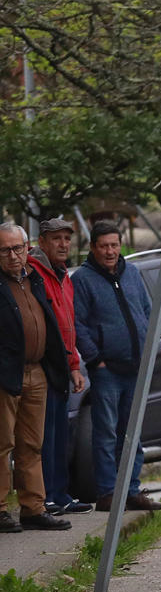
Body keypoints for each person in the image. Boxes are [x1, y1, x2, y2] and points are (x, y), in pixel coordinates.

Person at [70, 221, 161, 511]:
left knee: (132, 432)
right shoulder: (83, 280)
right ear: (93, 247)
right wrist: (94, 358)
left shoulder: (132, 273)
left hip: (136, 367)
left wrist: (149, 349)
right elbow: (78, 324)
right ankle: (108, 492)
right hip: (107, 370)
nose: (110, 251)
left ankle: (131, 490)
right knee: (106, 433)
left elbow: (147, 312)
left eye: (114, 245)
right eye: (104, 246)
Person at [0, 222, 75, 532]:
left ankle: (34, 507)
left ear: (27, 247)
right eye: (5, 250)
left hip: (37, 370)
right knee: (2, 444)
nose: (13, 256)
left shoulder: (34, 279)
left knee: (32, 444)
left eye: (18, 248)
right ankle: (1, 509)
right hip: (6, 374)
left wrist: (65, 363)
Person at [27, 217, 89, 515]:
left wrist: (75, 364)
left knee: (60, 434)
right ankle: (46, 496)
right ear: (42, 242)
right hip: (42, 365)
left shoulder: (64, 275)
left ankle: (61, 494)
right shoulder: (33, 273)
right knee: (44, 436)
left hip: (64, 367)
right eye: (56, 239)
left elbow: (69, 326)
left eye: (67, 238)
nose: (63, 244)